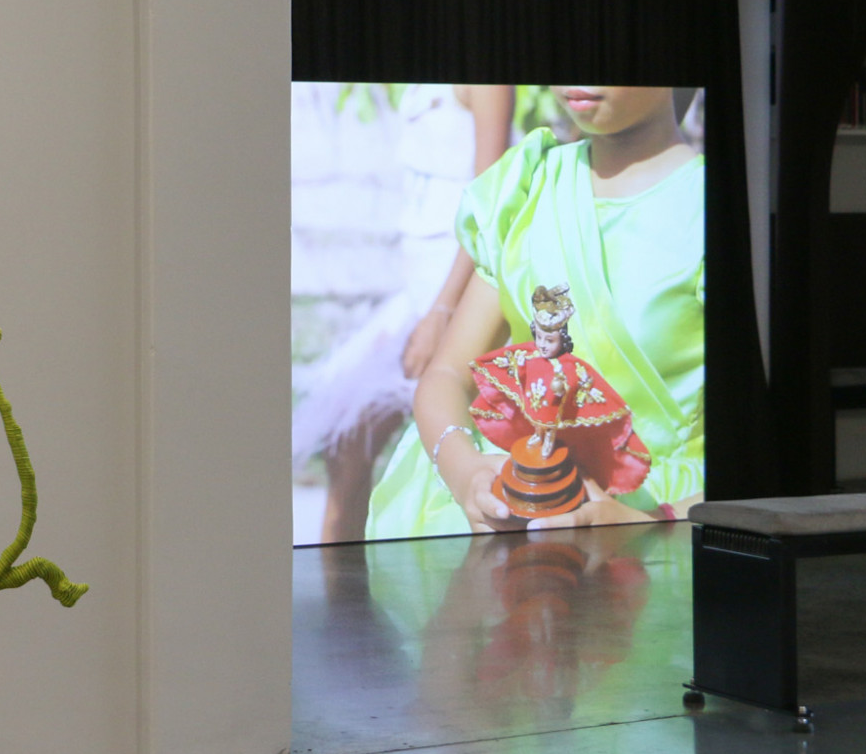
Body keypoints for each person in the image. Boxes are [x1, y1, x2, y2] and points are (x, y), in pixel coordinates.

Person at [367, 85, 705, 539]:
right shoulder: (526, 190)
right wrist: (467, 473)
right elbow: (446, 375)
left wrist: (651, 525)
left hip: (666, 527)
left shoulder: (712, 210)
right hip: (518, 514)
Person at [292, 84, 515, 543]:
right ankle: (340, 583)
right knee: (346, 442)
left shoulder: (486, 83)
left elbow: (487, 206)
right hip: (416, 293)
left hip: (454, 293)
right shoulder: (415, 86)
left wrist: (443, 311)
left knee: (420, 447)